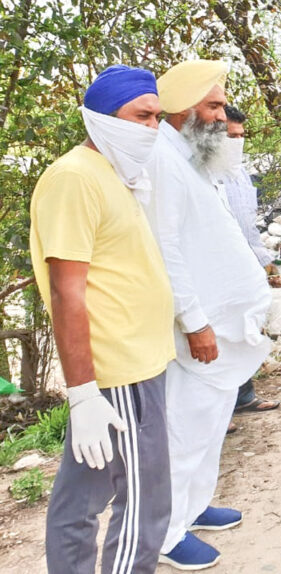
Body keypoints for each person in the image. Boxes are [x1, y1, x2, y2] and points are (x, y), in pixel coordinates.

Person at [32, 65, 174, 574]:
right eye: (142, 116)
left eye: (157, 118)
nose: (152, 129)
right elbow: (66, 291)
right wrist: (83, 393)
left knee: (83, 495)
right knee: (144, 502)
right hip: (119, 371)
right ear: (103, 118)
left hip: (135, 364)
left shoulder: (113, 175)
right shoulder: (74, 178)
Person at [148, 60, 273, 570]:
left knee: (211, 424)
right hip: (198, 329)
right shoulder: (162, 158)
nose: (223, 116)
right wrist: (195, 322)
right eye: (214, 105)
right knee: (184, 430)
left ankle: (195, 506)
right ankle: (165, 532)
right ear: (182, 108)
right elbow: (167, 249)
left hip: (221, 325)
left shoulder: (193, 157)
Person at [220, 104, 281, 416]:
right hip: (219, 268)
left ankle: (244, 396)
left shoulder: (241, 175)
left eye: (241, 136)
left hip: (245, 265)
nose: (237, 142)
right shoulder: (205, 174)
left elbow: (248, 223)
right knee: (222, 337)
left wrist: (262, 259)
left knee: (245, 332)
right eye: (230, 136)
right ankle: (222, 408)